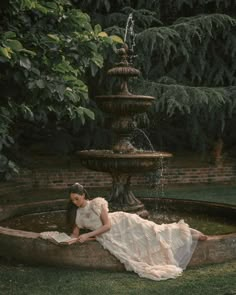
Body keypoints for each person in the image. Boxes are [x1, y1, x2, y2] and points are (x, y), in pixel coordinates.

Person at [67, 182, 207, 281]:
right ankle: (188, 235)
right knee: (138, 250)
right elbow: (75, 234)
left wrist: (88, 235)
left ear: (84, 195)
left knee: (154, 231)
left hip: (122, 223)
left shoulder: (96, 203)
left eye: (77, 198)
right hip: (109, 237)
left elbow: (107, 225)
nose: (75, 202)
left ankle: (189, 232)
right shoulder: (77, 214)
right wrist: (66, 239)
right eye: (72, 200)